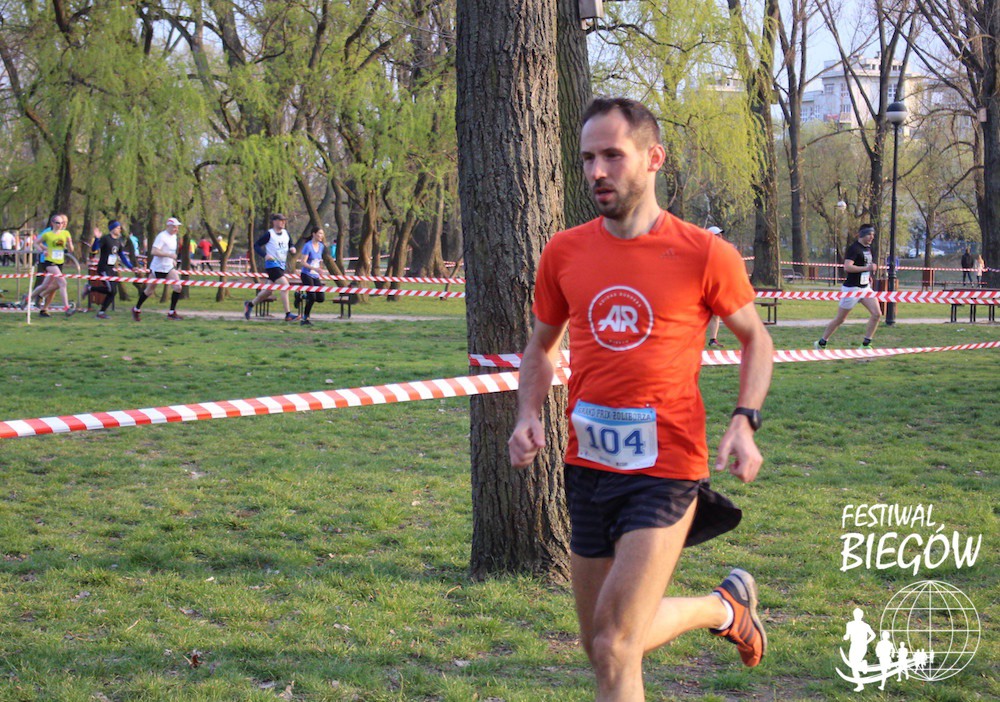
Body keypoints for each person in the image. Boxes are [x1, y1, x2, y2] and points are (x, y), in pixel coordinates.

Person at [507, 97, 774, 701]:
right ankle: (724, 608)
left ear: (653, 158)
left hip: (666, 468)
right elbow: (541, 346)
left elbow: (756, 339)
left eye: (612, 155)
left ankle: (722, 608)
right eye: (587, 159)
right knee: (601, 644)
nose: (597, 171)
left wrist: (744, 419)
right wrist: (527, 414)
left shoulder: (703, 253)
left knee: (615, 644)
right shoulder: (564, 251)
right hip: (587, 467)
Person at [814, 224, 880, 349]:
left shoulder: (867, 248)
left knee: (877, 314)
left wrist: (868, 275)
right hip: (852, 289)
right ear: (862, 235)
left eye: (873, 235)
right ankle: (822, 342)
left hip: (865, 288)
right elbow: (847, 267)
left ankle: (866, 344)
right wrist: (867, 268)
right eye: (869, 234)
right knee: (840, 319)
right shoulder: (854, 248)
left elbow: (864, 264)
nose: (872, 237)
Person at [244, 214, 298, 322]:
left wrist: (292, 248)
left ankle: (249, 305)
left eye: (284, 220)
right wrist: (265, 255)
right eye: (281, 220)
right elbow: (256, 245)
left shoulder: (286, 233)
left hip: (281, 265)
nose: (283, 222)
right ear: (274, 221)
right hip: (272, 265)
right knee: (285, 286)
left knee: (268, 291)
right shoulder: (270, 234)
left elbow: (291, 243)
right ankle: (288, 314)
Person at [132, 217, 184, 321]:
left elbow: (172, 251)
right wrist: (168, 255)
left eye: (177, 227)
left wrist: (172, 260)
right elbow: (154, 251)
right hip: (157, 268)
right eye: (174, 227)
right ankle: (136, 309)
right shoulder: (161, 236)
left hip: (168, 267)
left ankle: (171, 312)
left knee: (178, 287)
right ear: (168, 226)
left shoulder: (174, 237)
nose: (176, 229)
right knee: (149, 290)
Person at [33, 213, 76, 317]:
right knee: (62, 283)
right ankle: (66, 308)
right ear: (53, 223)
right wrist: (44, 250)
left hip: (59, 262)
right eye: (59, 223)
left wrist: (69, 245)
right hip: (48, 261)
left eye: (64, 222)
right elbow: (36, 243)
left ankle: (31, 298)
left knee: (49, 285)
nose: (62, 224)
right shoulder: (48, 232)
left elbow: (69, 249)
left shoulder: (65, 233)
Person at [91, 220, 134, 319]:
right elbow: (94, 249)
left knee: (113, 292)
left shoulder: (118, 241)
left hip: (111, 269)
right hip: (103, 268)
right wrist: (97, 238)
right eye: (118, 228)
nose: (120, 230)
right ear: (112, 229)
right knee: (111, 289)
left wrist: (131, 266)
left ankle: (101, 312)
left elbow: (122, 255)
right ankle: (90, 289)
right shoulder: (105, 239)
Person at [297, 226, 327, 326]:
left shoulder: (321, 246)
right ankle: (305, 318)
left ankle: (301, 296)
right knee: (312, 297)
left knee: (321, 298)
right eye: (319, 233)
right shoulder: (308, 246)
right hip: (306, 274)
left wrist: (320, 269)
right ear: (313, 234)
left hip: (315, 275)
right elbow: (303, 262)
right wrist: (314, 268)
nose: (321, 236)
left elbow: (318, 260)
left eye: (322, 234)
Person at [843, 608, 876, 692]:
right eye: (855, 614)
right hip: (853, 645)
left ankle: (862, 666)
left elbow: (873, 635)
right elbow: (847, 635)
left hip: (861, 646)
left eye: (858, 615)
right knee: (853, 665)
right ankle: (860, 683)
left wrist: (866, 642)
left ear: (861, 615)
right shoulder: (849, 624)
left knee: (854, 666)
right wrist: (845, 637)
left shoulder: (865, 626)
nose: (856, 616)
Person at [706, 226, 726, 348]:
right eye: (717, 235)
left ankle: (713, 339)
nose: (720, 237)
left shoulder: (723, 250)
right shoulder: (704, 251)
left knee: (715, 314)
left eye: (720, 235)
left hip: (716, 286)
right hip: (703, 287)